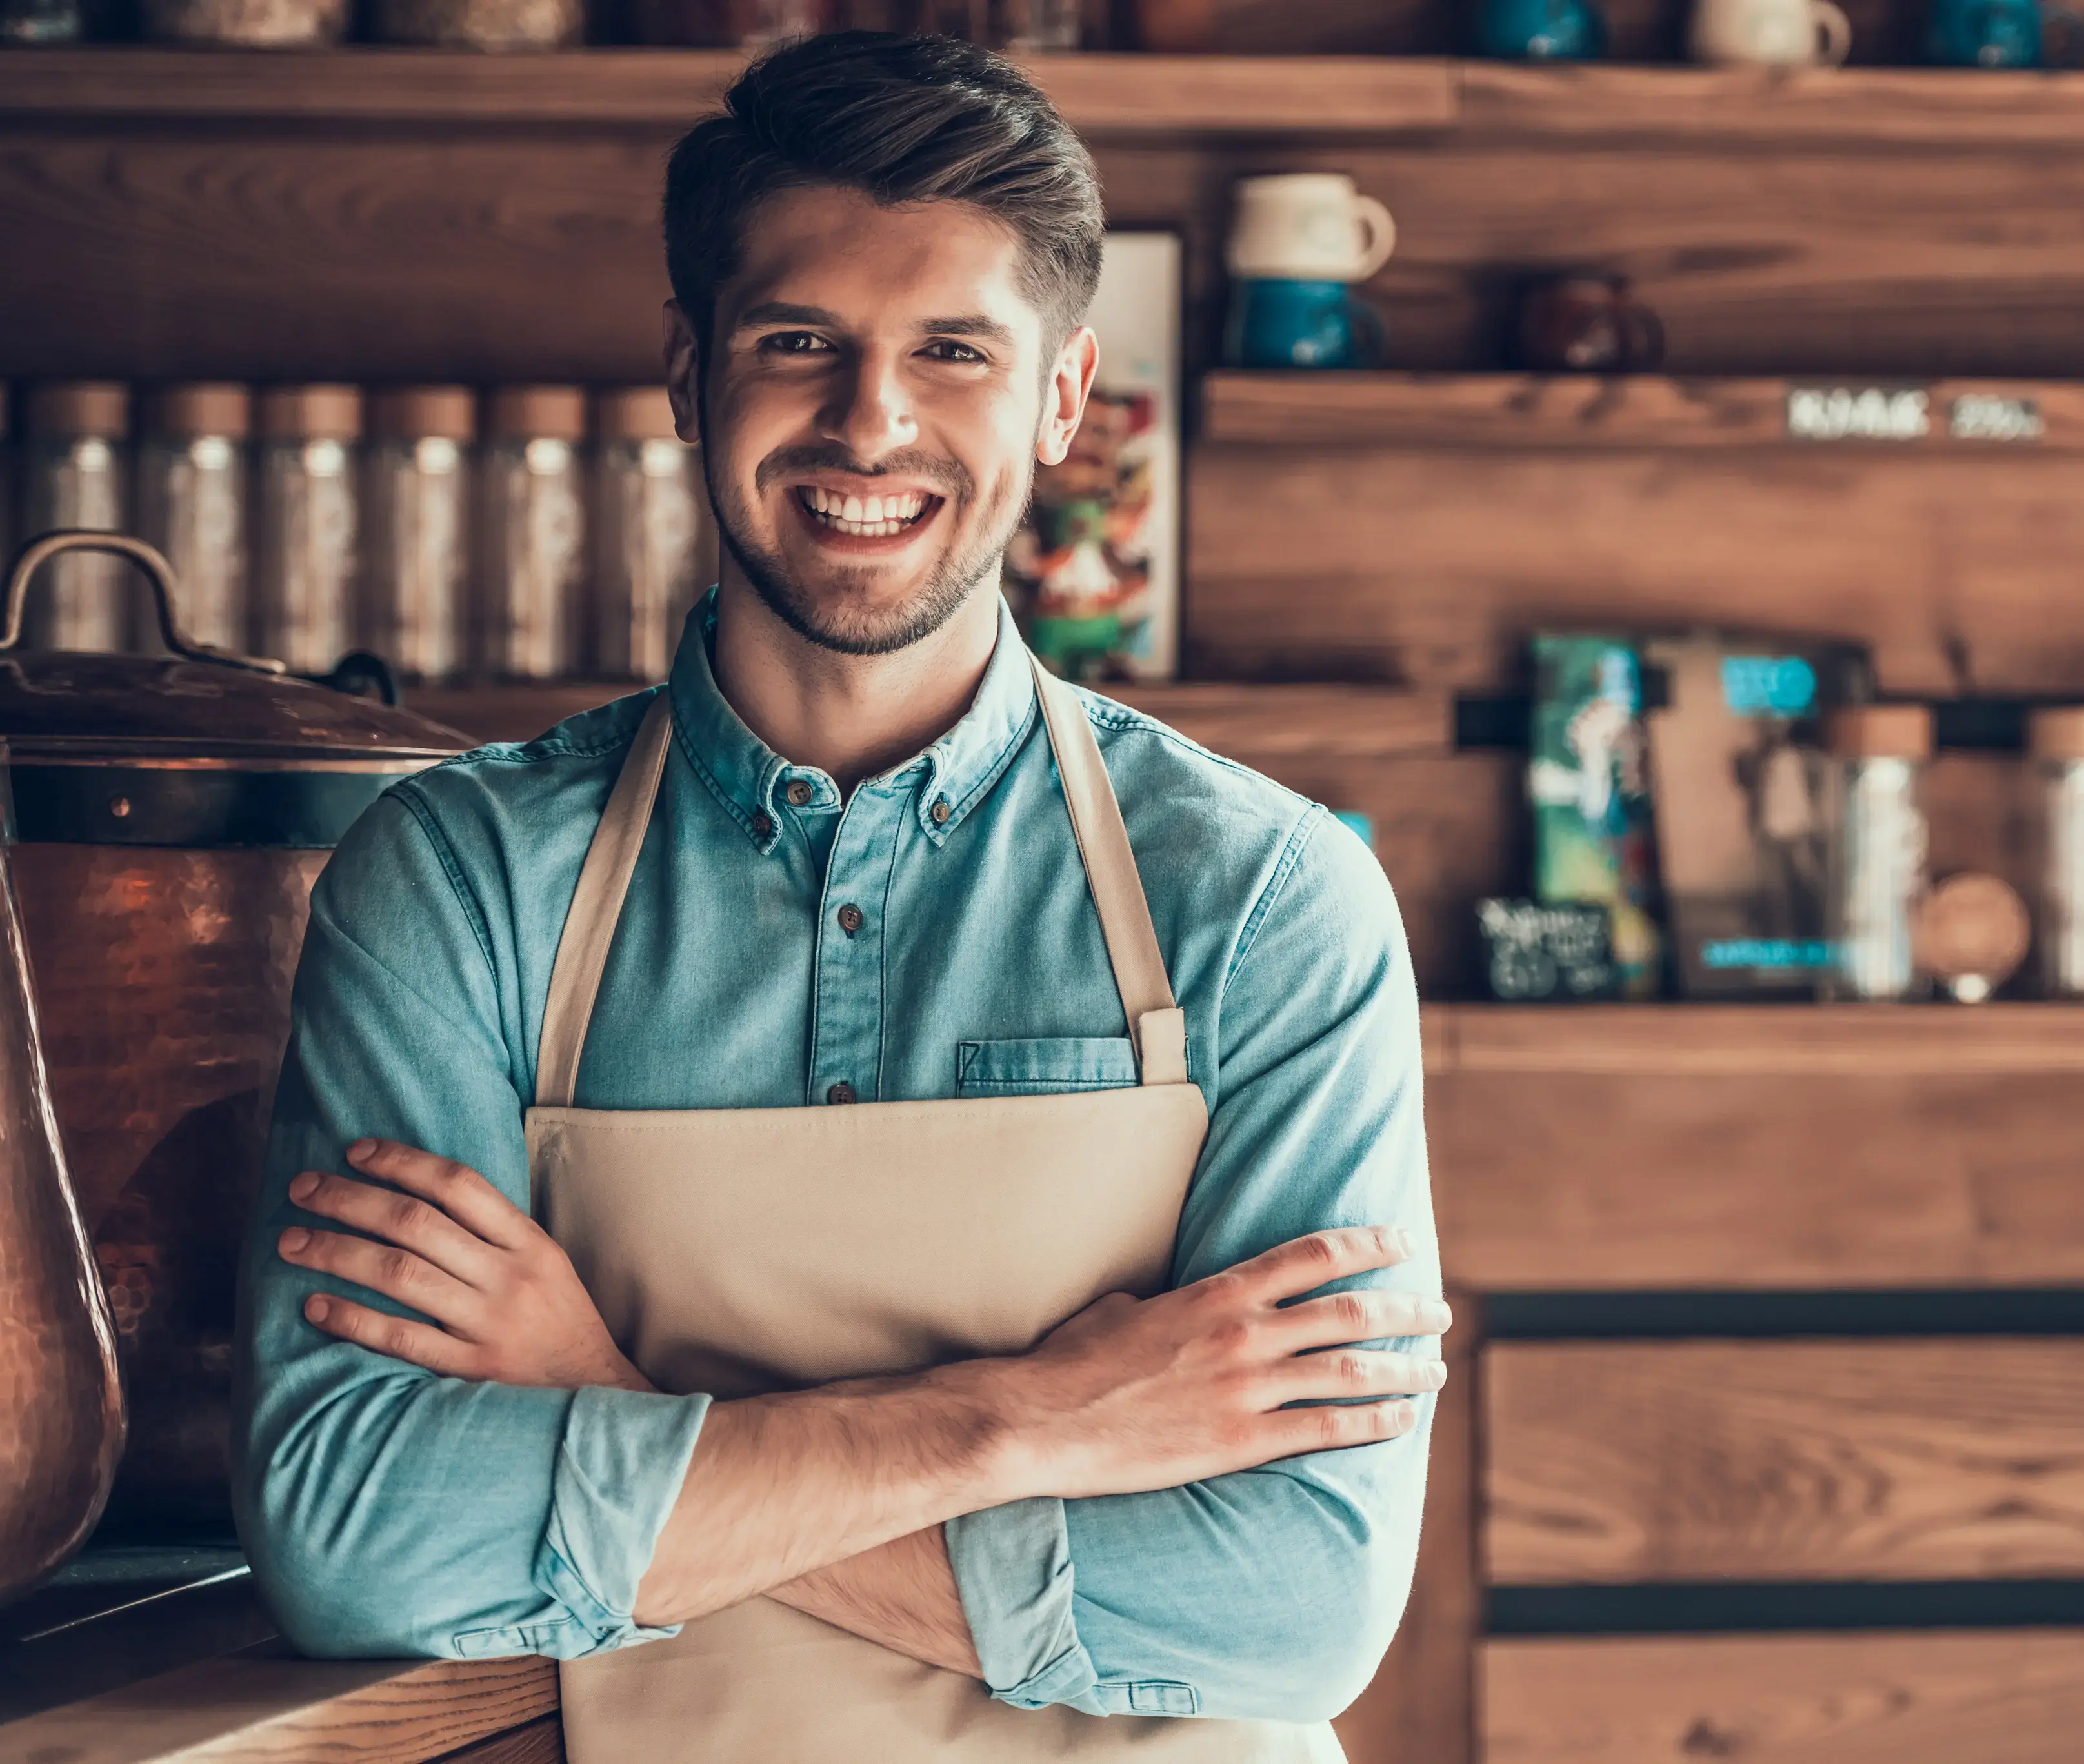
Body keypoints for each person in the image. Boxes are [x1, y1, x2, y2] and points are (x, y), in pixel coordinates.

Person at [230, 31, 1443, 1763]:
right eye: (801, 340)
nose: (870, 419)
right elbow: (361, 1536)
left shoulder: (1268, 902)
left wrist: (615, 1412)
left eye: (953, 349)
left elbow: (1292, 1604)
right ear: (688, 371)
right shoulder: (460, 886)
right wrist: (1027, 1418)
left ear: (1062, 397)